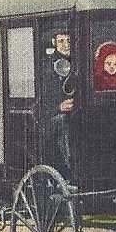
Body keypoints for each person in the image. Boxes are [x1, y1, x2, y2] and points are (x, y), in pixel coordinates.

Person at [44, 30, 76, 175]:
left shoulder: (79, 62)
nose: (66, 45)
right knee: (63, 121)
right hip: (50, 118)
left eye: (68, 41)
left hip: (77, 111)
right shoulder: (47, 67)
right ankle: (69, 167)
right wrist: (59, 106)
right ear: (54, 43)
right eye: (61, 41)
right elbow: (43, 99)